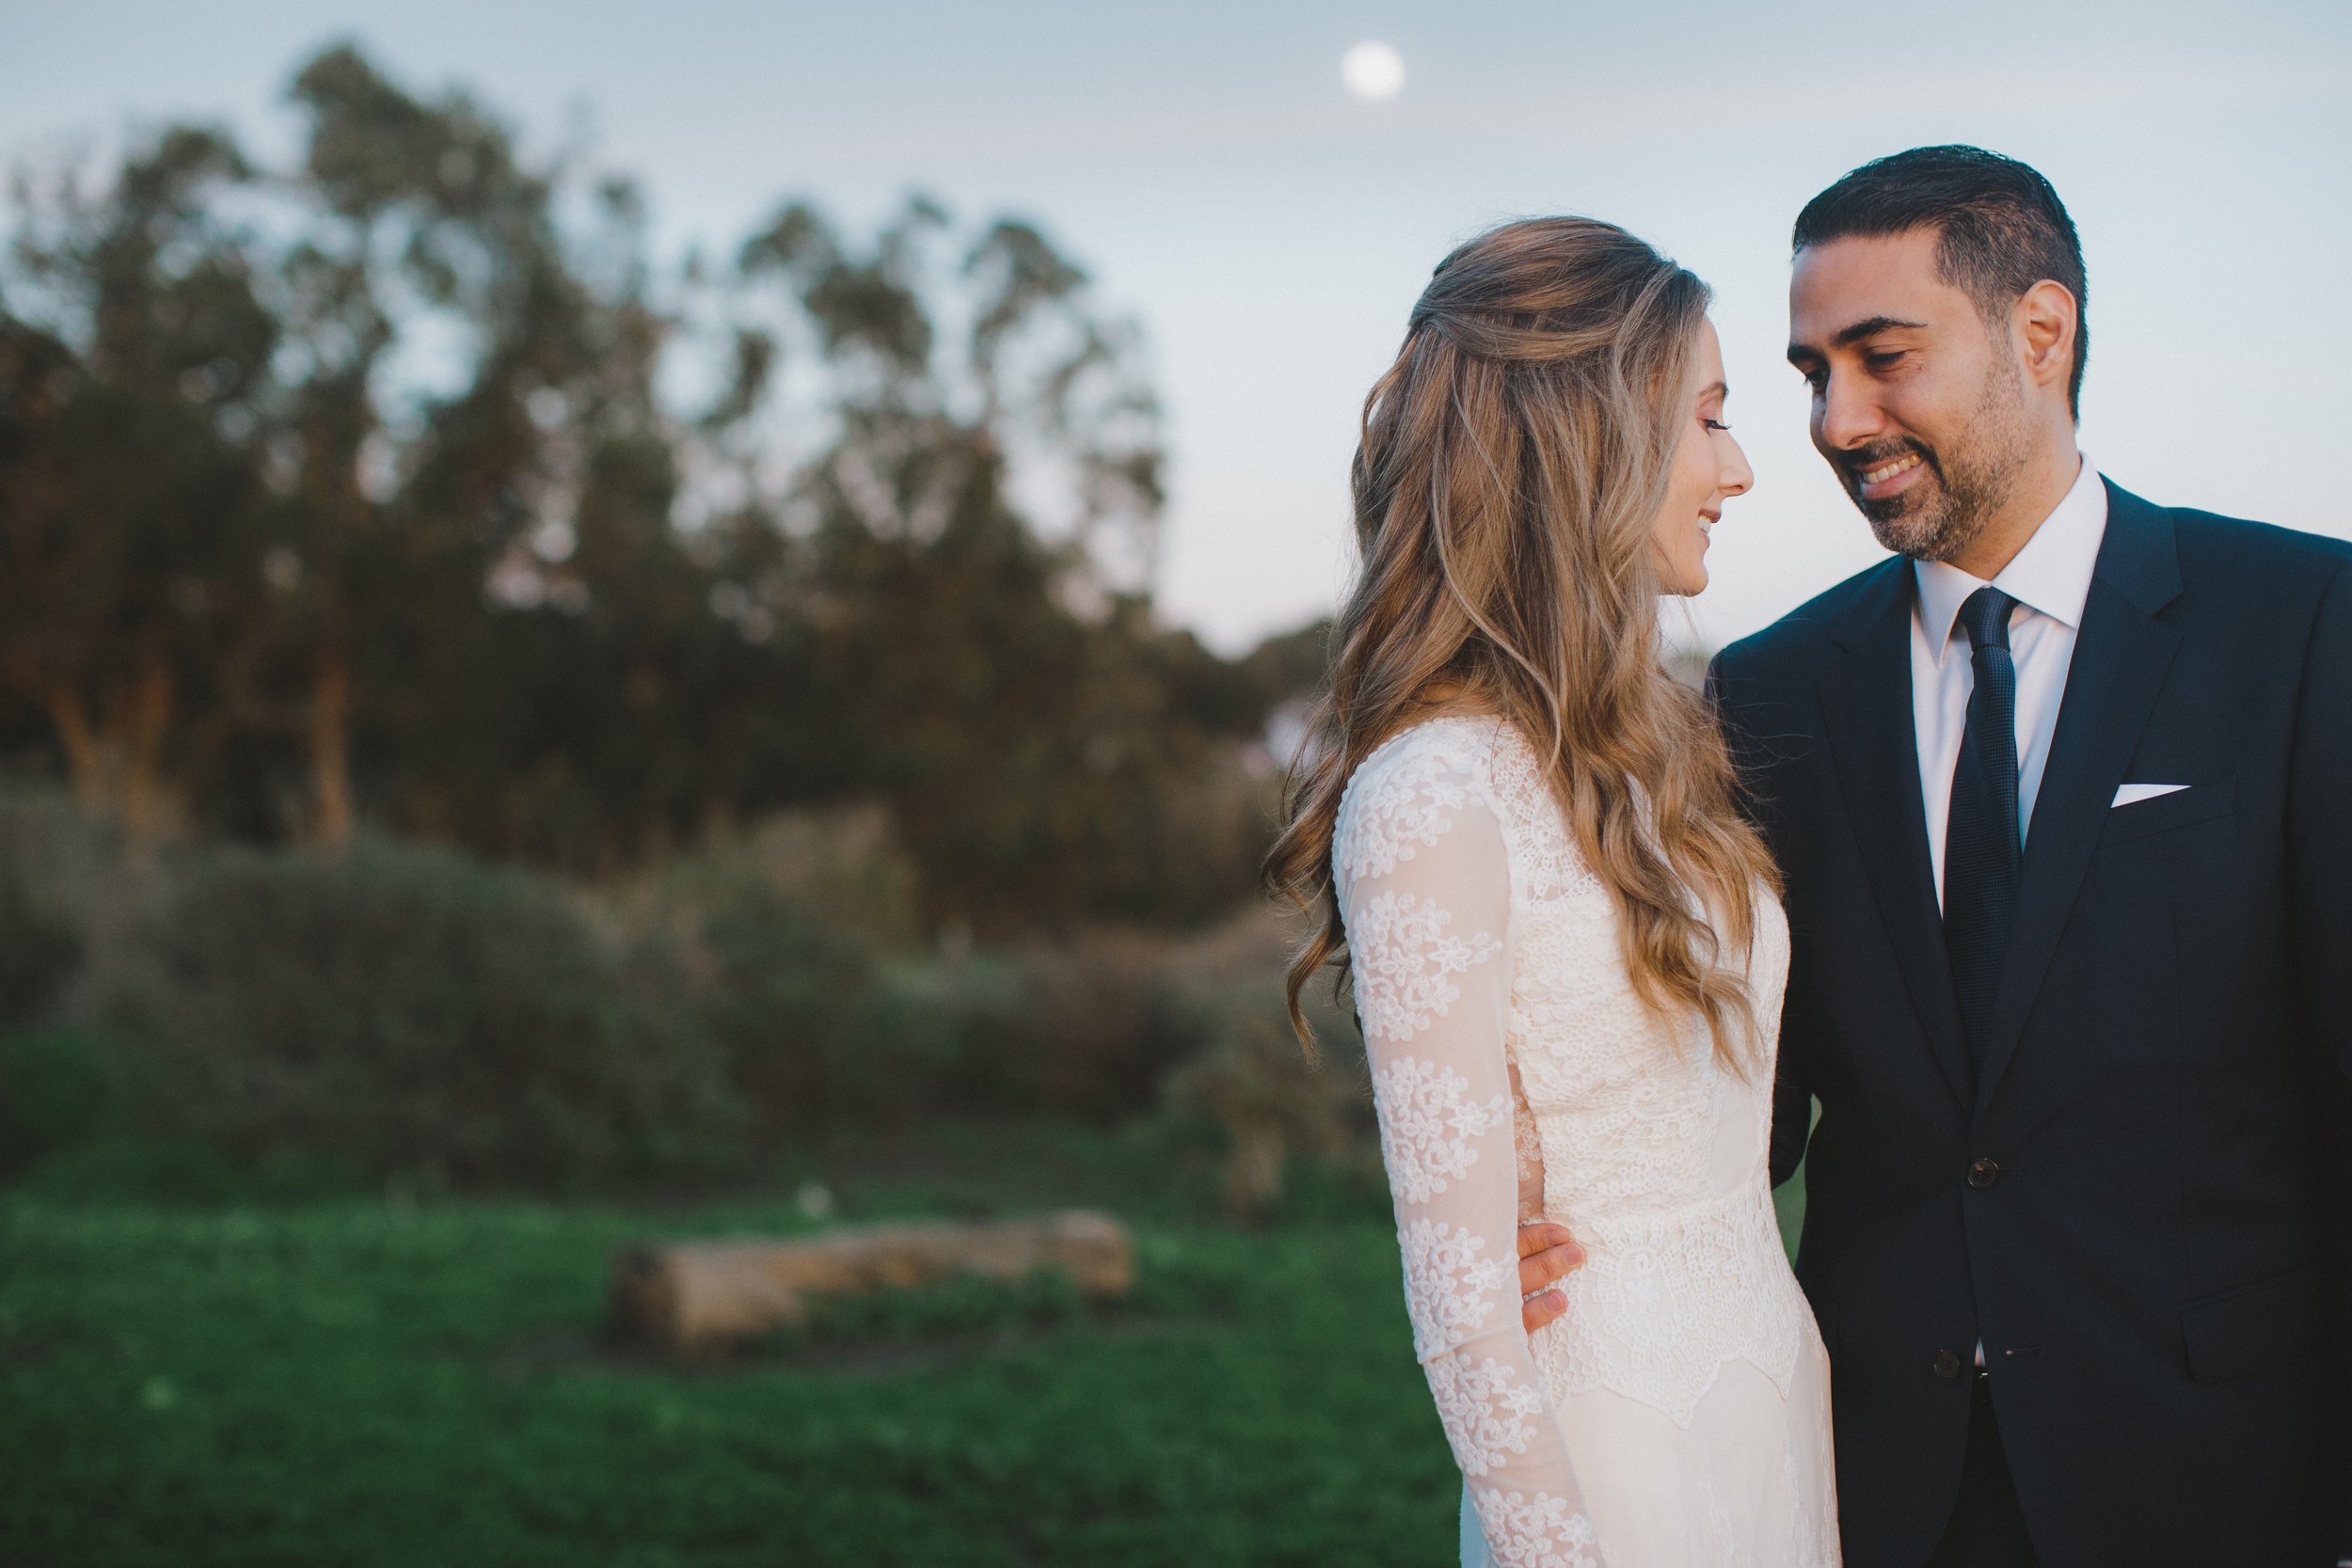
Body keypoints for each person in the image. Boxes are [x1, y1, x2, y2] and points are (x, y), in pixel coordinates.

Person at [1688, 146, 2350, 1567]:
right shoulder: (1769, 693)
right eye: (1812, 372)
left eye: (1883, 357)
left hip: (2221, 1465)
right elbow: (1750, 1096)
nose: (1837, 418)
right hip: (1881, 1476)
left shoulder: (2304, 626)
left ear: (2039, 333)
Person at [1267, 216, 1840, 1568]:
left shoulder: (1658, 753)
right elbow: (1465, 1309)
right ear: (1590, 438)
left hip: (1772, 1406)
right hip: (1612, 1457)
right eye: (1706, 418)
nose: (1740, 467)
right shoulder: (1432, 794)